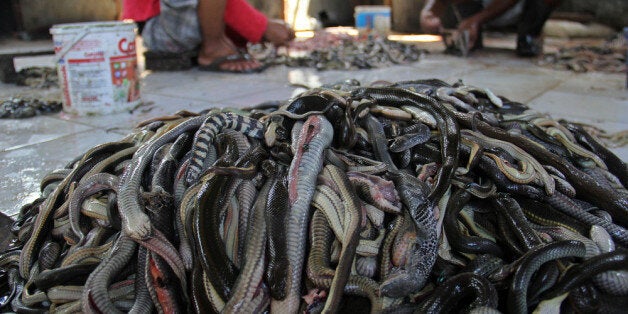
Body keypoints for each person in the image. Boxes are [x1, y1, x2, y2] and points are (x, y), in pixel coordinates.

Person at [122, 0, 295, 73]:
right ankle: (213, 47)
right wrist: (261, 26)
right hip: (159, 26)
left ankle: (219, 41)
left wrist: (261, 27)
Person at [420, 0, 561, 57]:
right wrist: (429, 13)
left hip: (522, 9)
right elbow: (434, 5)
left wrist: (476, 20)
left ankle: (528, 36)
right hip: (477, 6)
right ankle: (469, 35)